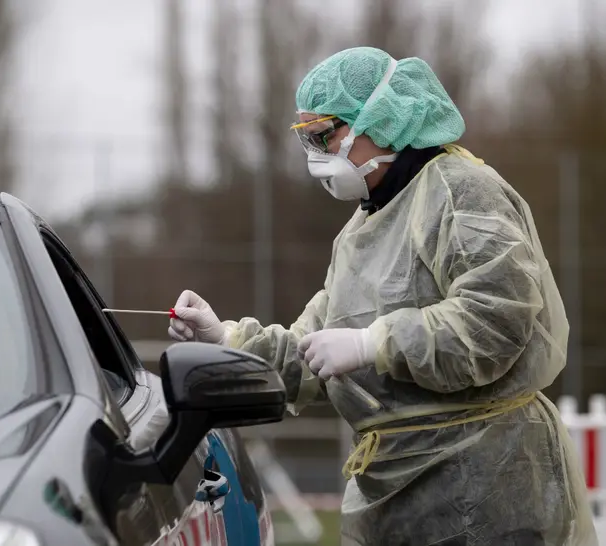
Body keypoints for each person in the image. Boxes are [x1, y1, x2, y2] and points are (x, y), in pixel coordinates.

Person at [167, 46, 596, 546]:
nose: (316, 155)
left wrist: (374, 343)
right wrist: (226, 338)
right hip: (396, 496)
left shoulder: (463, 193)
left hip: (488, 486)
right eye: (306, 139)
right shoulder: (363, 230)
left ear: (384, 117)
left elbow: (494, 324)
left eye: (325, 135)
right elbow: (314, 348)